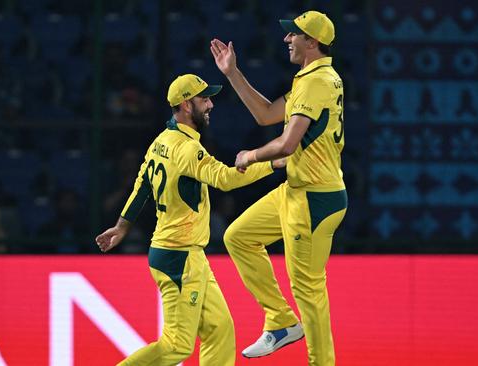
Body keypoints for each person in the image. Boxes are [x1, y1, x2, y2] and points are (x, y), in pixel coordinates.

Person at [95, 73, 283, 366]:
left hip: (182, 254)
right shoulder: (187, 149)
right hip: (179, 256)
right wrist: (272, 162)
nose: (210, 105)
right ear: (185, 104)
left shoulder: (162, 141)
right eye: (204, 99)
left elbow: (142, 186)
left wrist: (122, 225)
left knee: (219, 330)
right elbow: (224, 179)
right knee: (177, 346)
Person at [210, 10, 347, 365]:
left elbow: (287, 144)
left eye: (294, 35)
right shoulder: (313, 78)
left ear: (312, 42)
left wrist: (251, 154)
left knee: (309, 289)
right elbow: (267, 114)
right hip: (298, 189)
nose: (287, 39)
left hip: (315, 198)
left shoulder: (316, 82)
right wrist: (233, 73)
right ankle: (283, 322)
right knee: (238, 236)